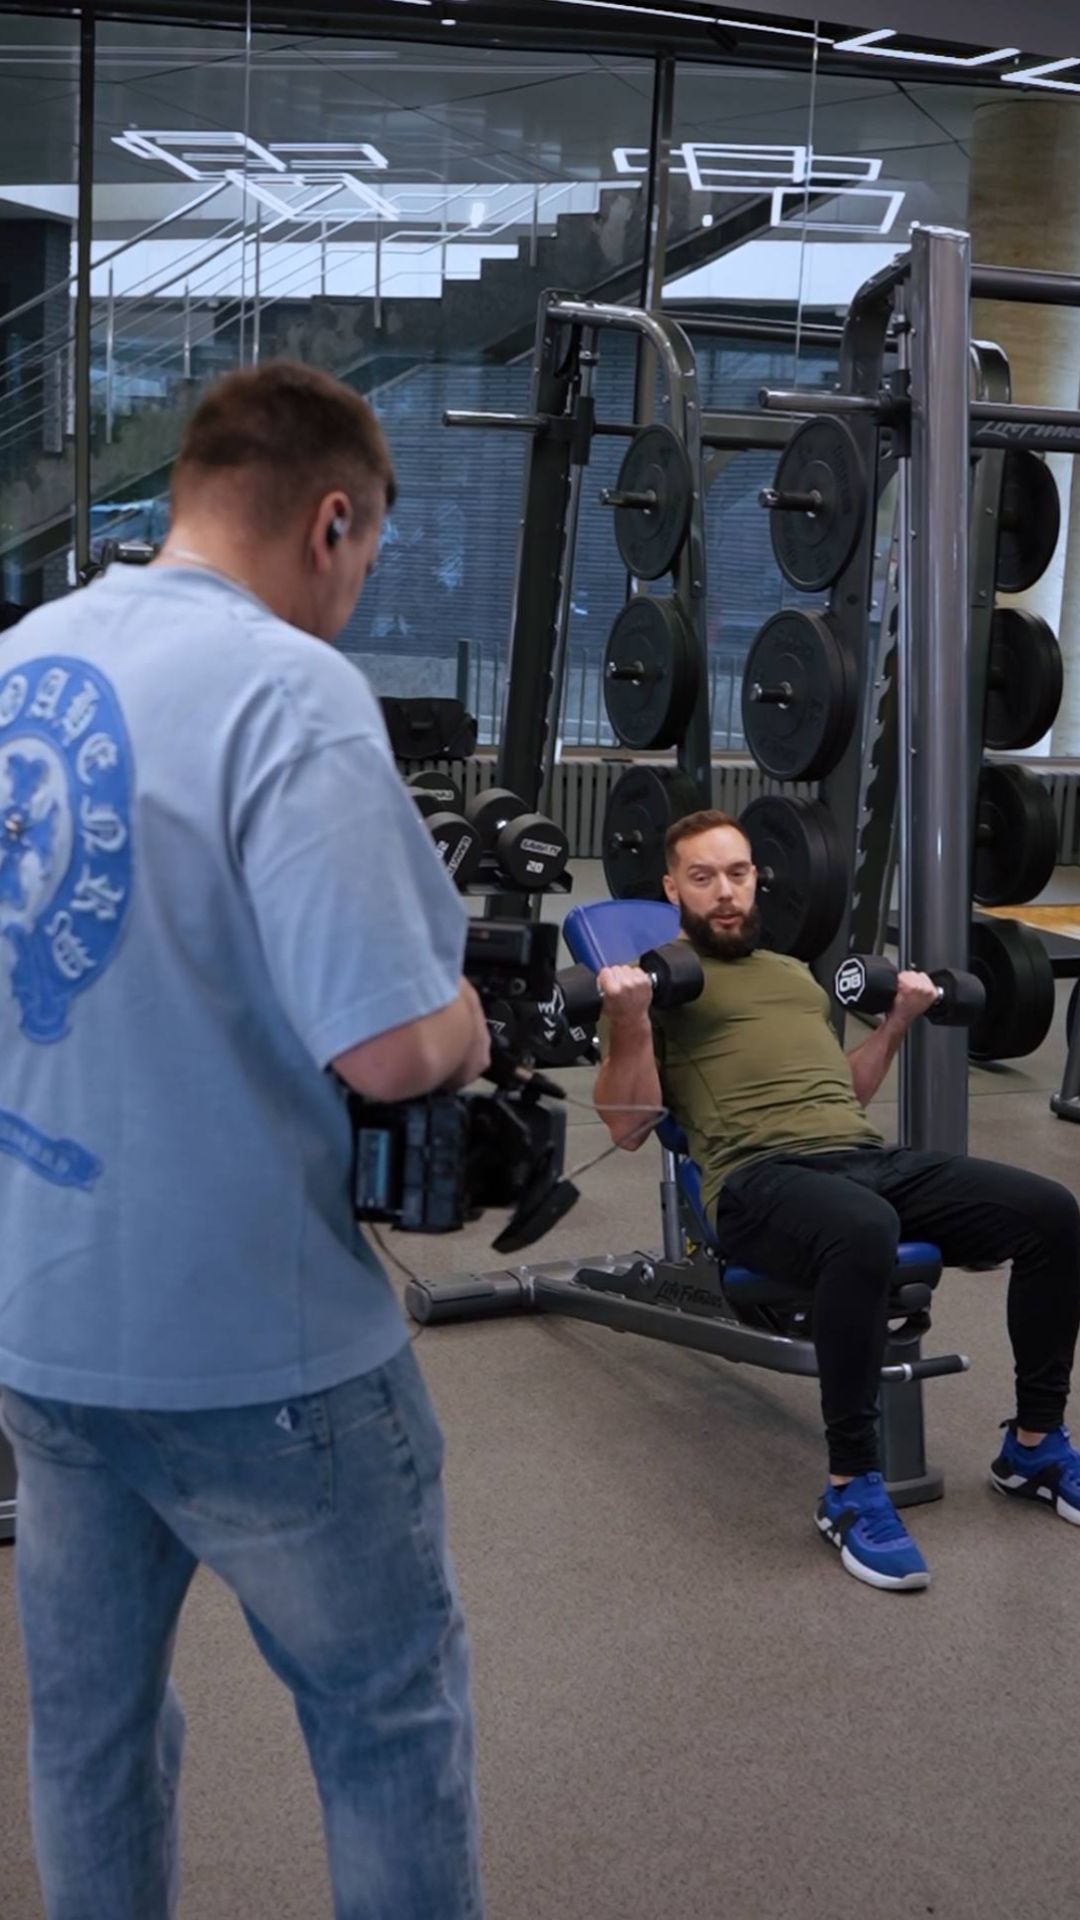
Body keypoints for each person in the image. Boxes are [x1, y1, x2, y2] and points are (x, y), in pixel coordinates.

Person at [0, 361, 488, 1918]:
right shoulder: (290, 688)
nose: (355, 590)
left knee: (87, 1738)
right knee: (388, 1725)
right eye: (368, 555)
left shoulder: (23, 660)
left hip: (46, 1330)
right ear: (332, 522)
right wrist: (469, 1018)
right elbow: (389, 1045)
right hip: (261, 1358)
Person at [594, 808, 1080, 1595]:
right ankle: (851, 1487)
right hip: (755, 1179)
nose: (725, 892)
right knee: (864, 1229)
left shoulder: (793, 975)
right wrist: (630, 1020)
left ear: (758, 878)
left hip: (861, 1158)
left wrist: (896, 1023)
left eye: (738, 873)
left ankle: (1034, 1446)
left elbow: (843, 1093)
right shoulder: (651, 984)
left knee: (1051, 1211)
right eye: (702, 877)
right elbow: (626, 1127)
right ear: (671, 889)